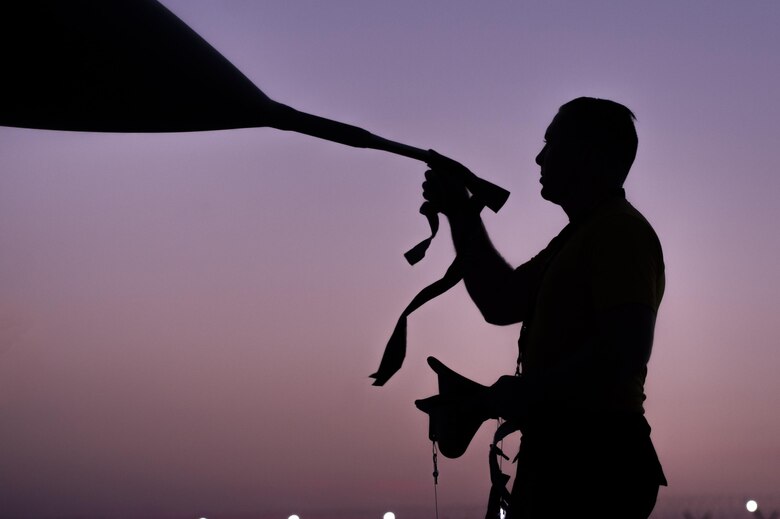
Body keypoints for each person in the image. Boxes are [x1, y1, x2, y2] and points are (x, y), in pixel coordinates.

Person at [420, 97, 666, 518]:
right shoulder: (577, 238)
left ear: (591, 154)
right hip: (566, 460)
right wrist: (461, 211)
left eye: (551, 143)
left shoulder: (620, 233)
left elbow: (624, 352)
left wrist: (521, 393)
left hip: (593, 466)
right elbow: (501, 299)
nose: (539, 156)